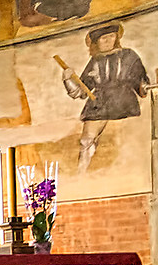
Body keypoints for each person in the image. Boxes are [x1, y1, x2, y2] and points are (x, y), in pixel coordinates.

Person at [58, 21, 152, 171]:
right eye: (103, 38)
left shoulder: (129, 56)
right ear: (96, 42)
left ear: (117, 38)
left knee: (127, 138)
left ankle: (130, 171)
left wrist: (144, 86)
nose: (108, 41)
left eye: (111, 36)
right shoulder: (95, 61)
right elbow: (81, 91)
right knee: (86, 141)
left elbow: (140, 83)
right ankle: (81, 173)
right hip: (98, 103)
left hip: (124, 101)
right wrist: (68, 79)